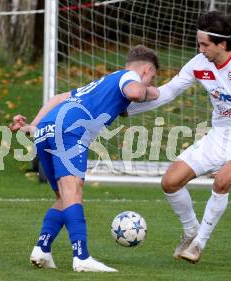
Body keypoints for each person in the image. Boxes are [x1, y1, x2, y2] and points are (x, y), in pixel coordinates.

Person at [126, 11, 231, 263]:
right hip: (218, 136)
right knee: (170, 181)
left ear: (222, 44)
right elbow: (167, 93)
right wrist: (130, 109)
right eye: (199, 43)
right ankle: (190, 231)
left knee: (222, 181)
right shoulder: (199, 64)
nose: (200, 48)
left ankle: (198, 244)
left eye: (205, 44)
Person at [10, 45, 159, 272]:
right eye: (152, 78)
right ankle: (82, 257)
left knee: (64, 197)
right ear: (147, 70)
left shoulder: (101, 83)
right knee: (74, 191)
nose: (149, 83)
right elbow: (136, 93)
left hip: (47, 130)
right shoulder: (129, 77)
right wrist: (150, 92)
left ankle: (42, 248)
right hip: (70, 130)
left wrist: (33, 126)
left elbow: (58, 97)